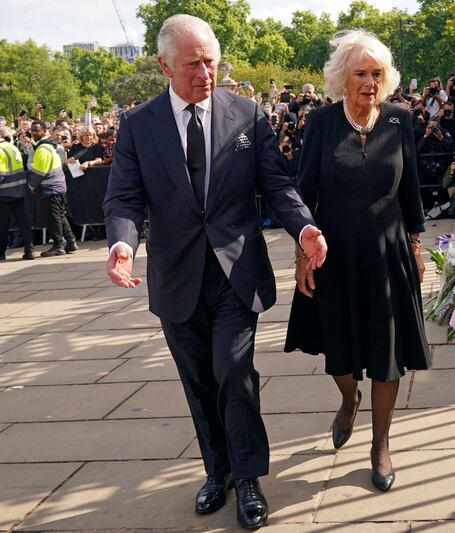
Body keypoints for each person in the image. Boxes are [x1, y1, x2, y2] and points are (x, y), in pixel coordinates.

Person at [102, 14, 327, 530]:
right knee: (200, 381)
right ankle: (217, 470)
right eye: (192, 64)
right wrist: (121, 244)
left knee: (233, 372)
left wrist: (304, 229)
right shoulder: (140, 124)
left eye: (211, 61)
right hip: (176, 276)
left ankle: (248, 477)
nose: (205, 72)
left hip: (236, 272)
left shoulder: (247, 114)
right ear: (164, 66)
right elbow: (124, 197)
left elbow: (278, 186)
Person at [284, 29, 430, 493]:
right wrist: (301, 254)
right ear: (341, 78)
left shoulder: (400, 120)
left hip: (388, 254)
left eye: (377, 73)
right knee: (340, 354)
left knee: (387, 355)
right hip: (334, 253)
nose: (370, 82)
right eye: (360, 73)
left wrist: (416, 244)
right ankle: (349, 401)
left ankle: (380, 444)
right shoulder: (322, 123)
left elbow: (410, 190)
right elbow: (304, 190)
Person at [29, 119, 78, 257]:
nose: (34, 133)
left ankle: (58, 245)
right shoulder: (50, 145)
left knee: (53, 218)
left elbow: (39, 172)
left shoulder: (43, 148)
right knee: (60, 216)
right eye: (32, 130)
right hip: (58, 186)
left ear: (44, 131)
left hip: (51, 188)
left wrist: (31, 185)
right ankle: (71, 241)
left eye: (37, 130)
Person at [0, 126, 34, 260]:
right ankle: (29, 250)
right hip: (19, 190)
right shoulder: (12, 147)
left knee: (3, 224)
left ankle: (1, 253)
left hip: (4, 192)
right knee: (23, 221)